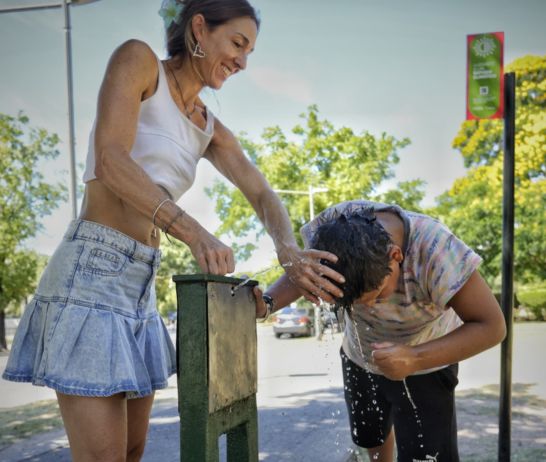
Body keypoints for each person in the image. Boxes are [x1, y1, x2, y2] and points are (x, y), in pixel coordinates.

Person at [2, 1, 344, 460]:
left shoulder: (208, 126)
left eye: (250, 52)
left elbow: (262, 193)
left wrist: (289, 251)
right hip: (93, 271)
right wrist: (193, 232)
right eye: (237, 44)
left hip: (141, 283)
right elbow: (110, 160)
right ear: (199, 29)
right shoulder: (139, 61)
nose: (243, 61)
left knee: (132, 452)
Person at [255, 200, 506, 462]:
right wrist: (268, 303)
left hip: (428, 360)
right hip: (358, 356)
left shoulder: (436, 249)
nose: (371, 310)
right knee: (369, 442)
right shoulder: (330, 228)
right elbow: (305, 274)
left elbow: (492, 326)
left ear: (395, 256)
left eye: (377, 296)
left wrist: (415, 358)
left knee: (427, 456)